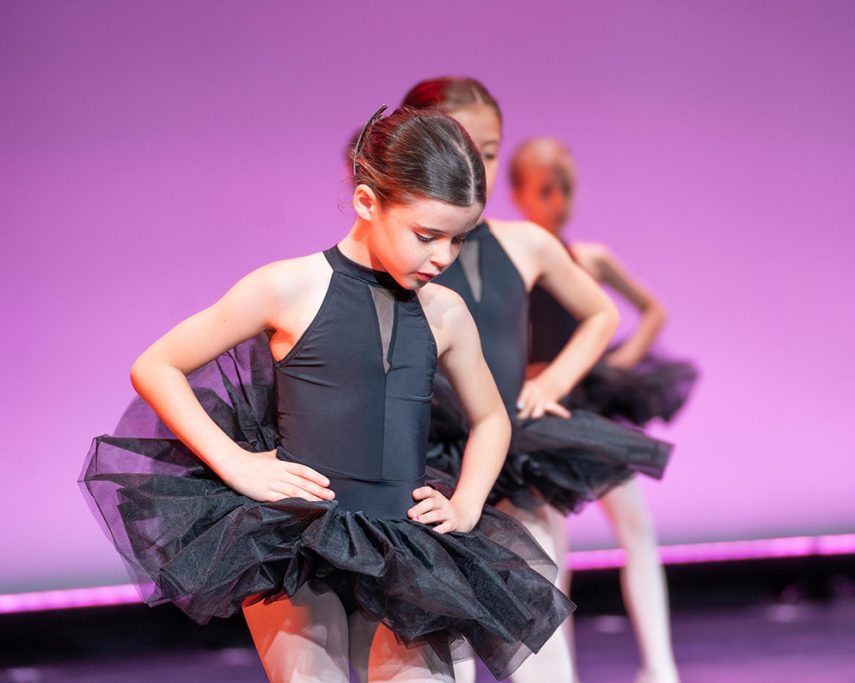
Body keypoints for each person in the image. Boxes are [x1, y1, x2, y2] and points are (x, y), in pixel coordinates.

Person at [79, 106, 574, 683]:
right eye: (426, 236)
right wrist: (236, 464)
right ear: (367, 203)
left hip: (404, 544)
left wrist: (466, 504)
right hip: (298, 537)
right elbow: (156, 365)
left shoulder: (446, 313)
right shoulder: (287, 287)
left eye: (458, 239)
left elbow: (491, 418)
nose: (443, 257)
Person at [401, 78, 672, 683]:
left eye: (489, 152)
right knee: (442, 642)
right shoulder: (402, 252)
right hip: (421, 465)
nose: (477, 167)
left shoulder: (525, 243)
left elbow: (601, 314)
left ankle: (658, 666)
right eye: (460, 148)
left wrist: (552, 384)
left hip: (506, 453)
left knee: (538, 633)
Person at [512, 137, 699, 683]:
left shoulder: (587, 257)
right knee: (552, 550)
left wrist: (620, 361)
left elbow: (651, 310)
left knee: (635, 525)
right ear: (519, 194)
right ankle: (559, 672)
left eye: (565, 189)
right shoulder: (514, 261)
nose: (559, 201)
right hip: (539, 412)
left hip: (587, 404)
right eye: (545, 190)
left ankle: (659, 667)